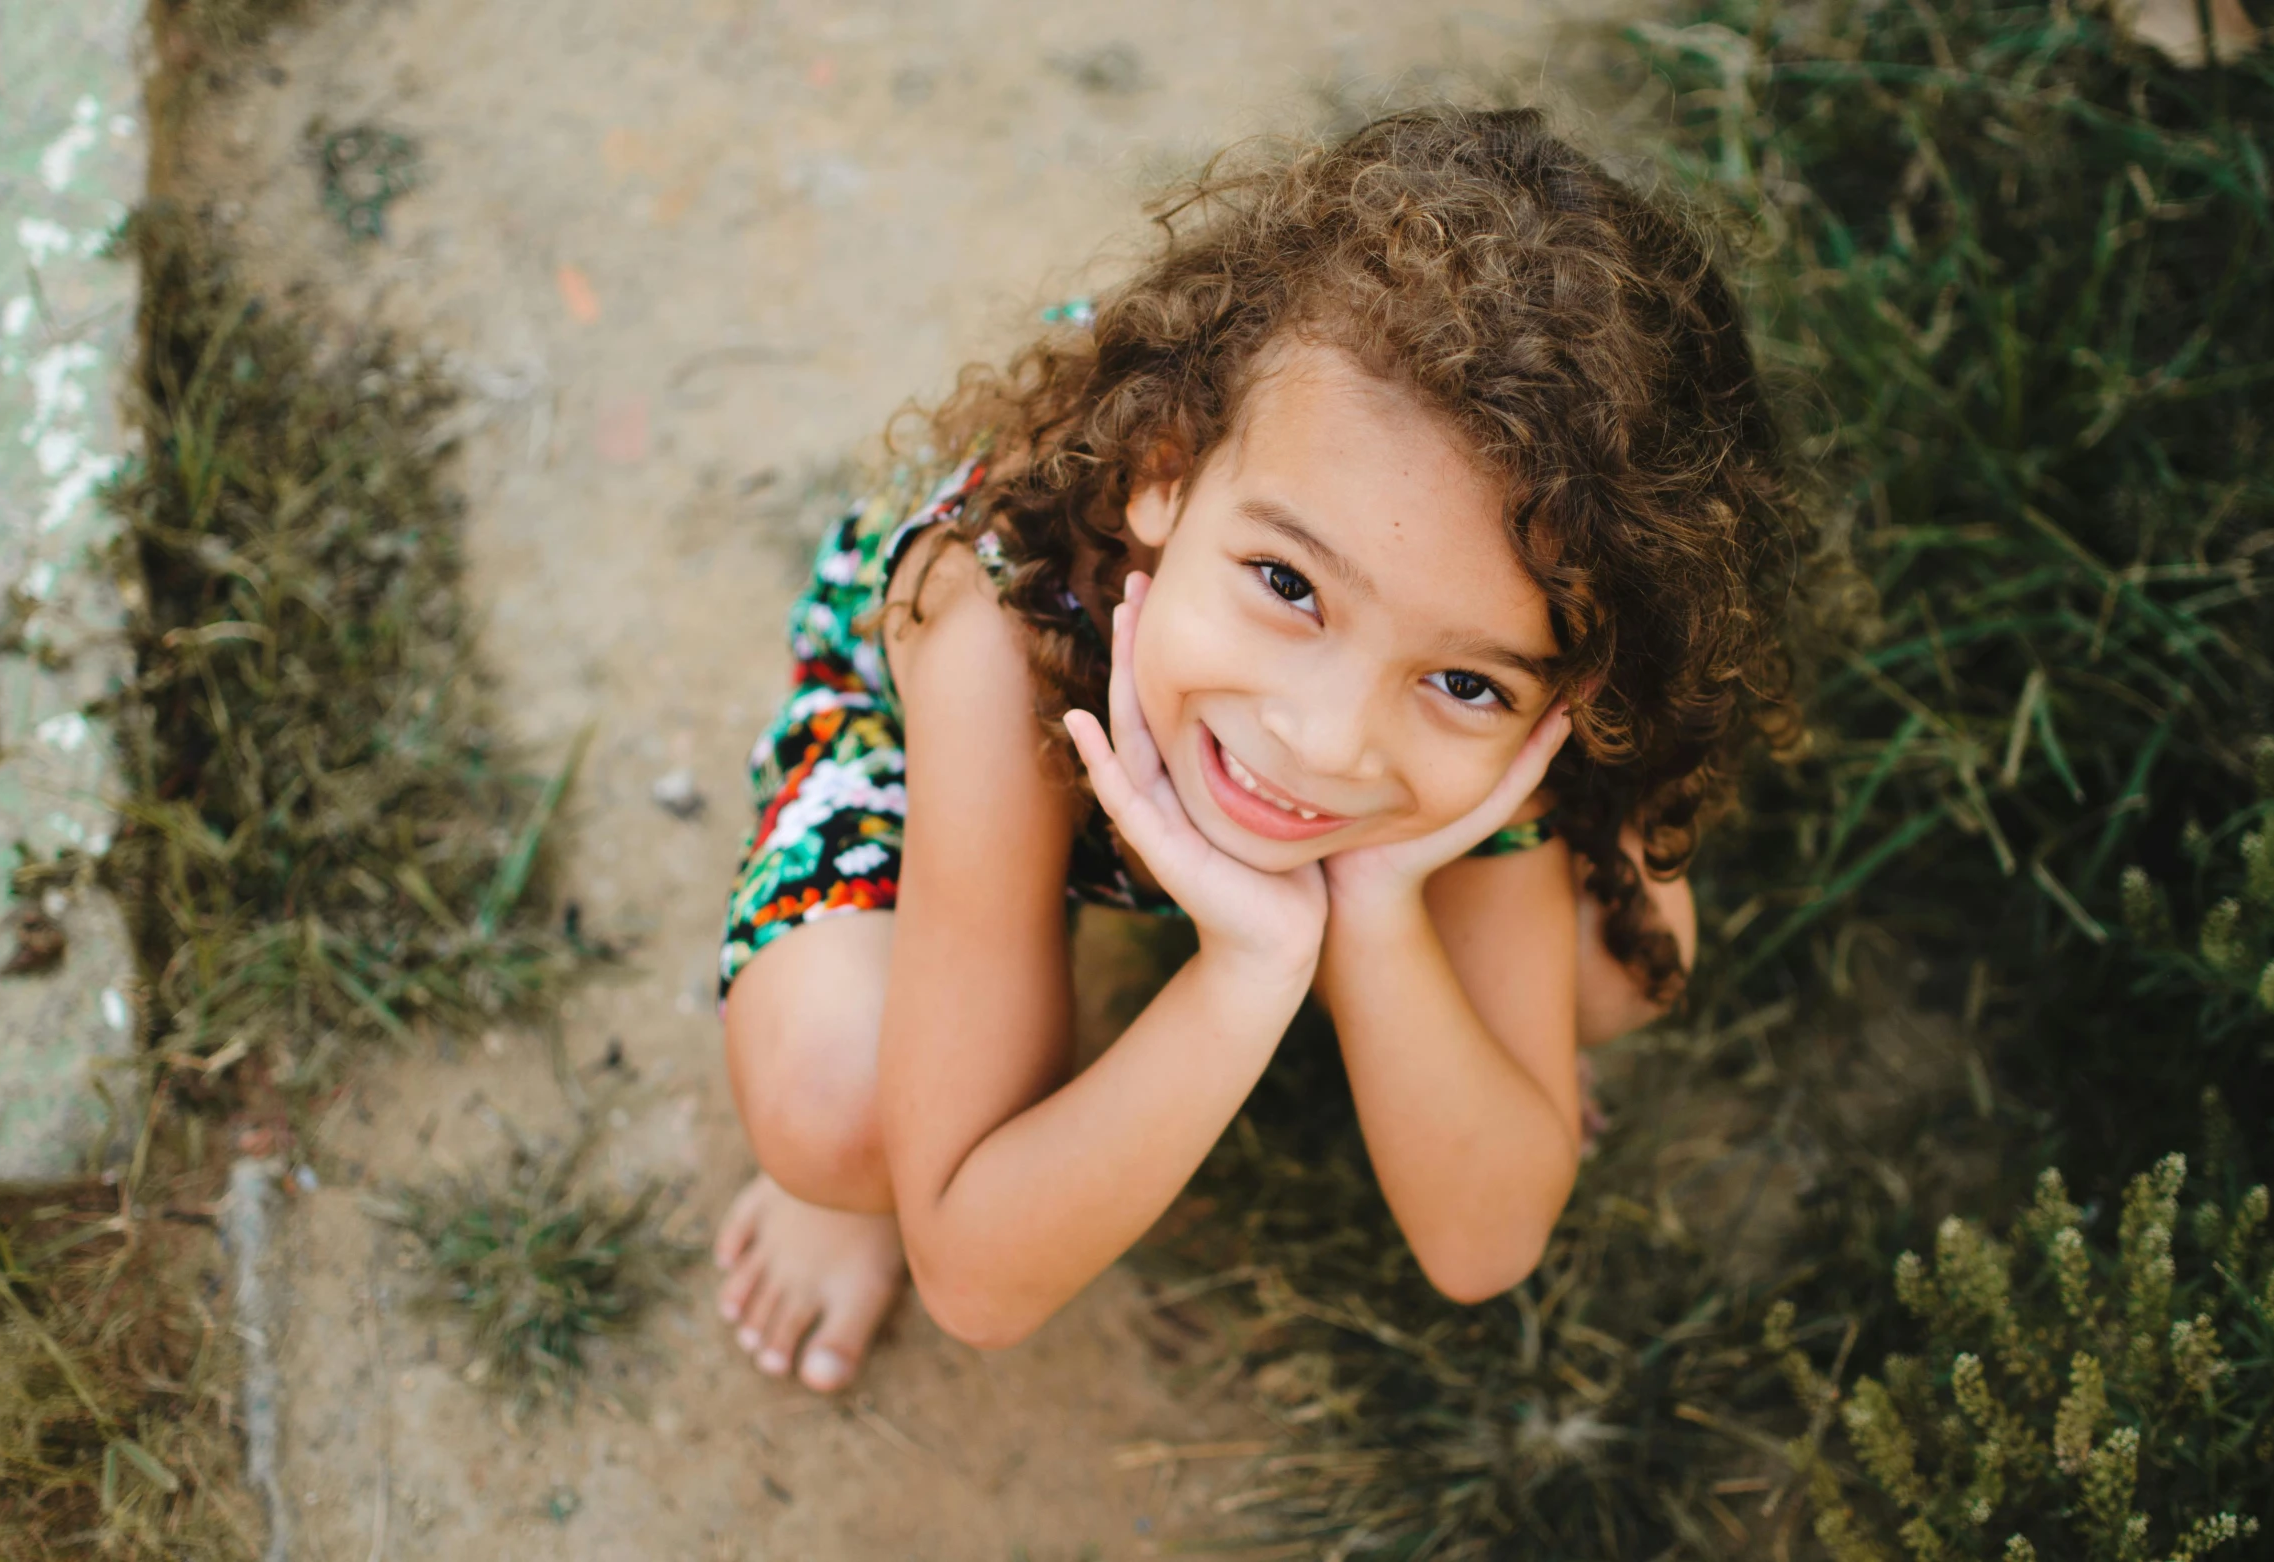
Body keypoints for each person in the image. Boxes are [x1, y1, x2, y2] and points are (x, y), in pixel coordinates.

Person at [709, 108, 1802, 1393]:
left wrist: (1383, 912)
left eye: (1464, 677)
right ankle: (864, 1174)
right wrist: (1247, 971)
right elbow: (976, 1273)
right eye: (1288, 581)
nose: (1323, 739)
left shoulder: (1474, 714)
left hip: (1238, 696)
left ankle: (1380, 954)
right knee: (843, 1111)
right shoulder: (992, 622)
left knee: (1618, 972)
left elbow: (1483, 1241)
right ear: (1164, 475)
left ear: (1573, 682)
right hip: (1029, 704)